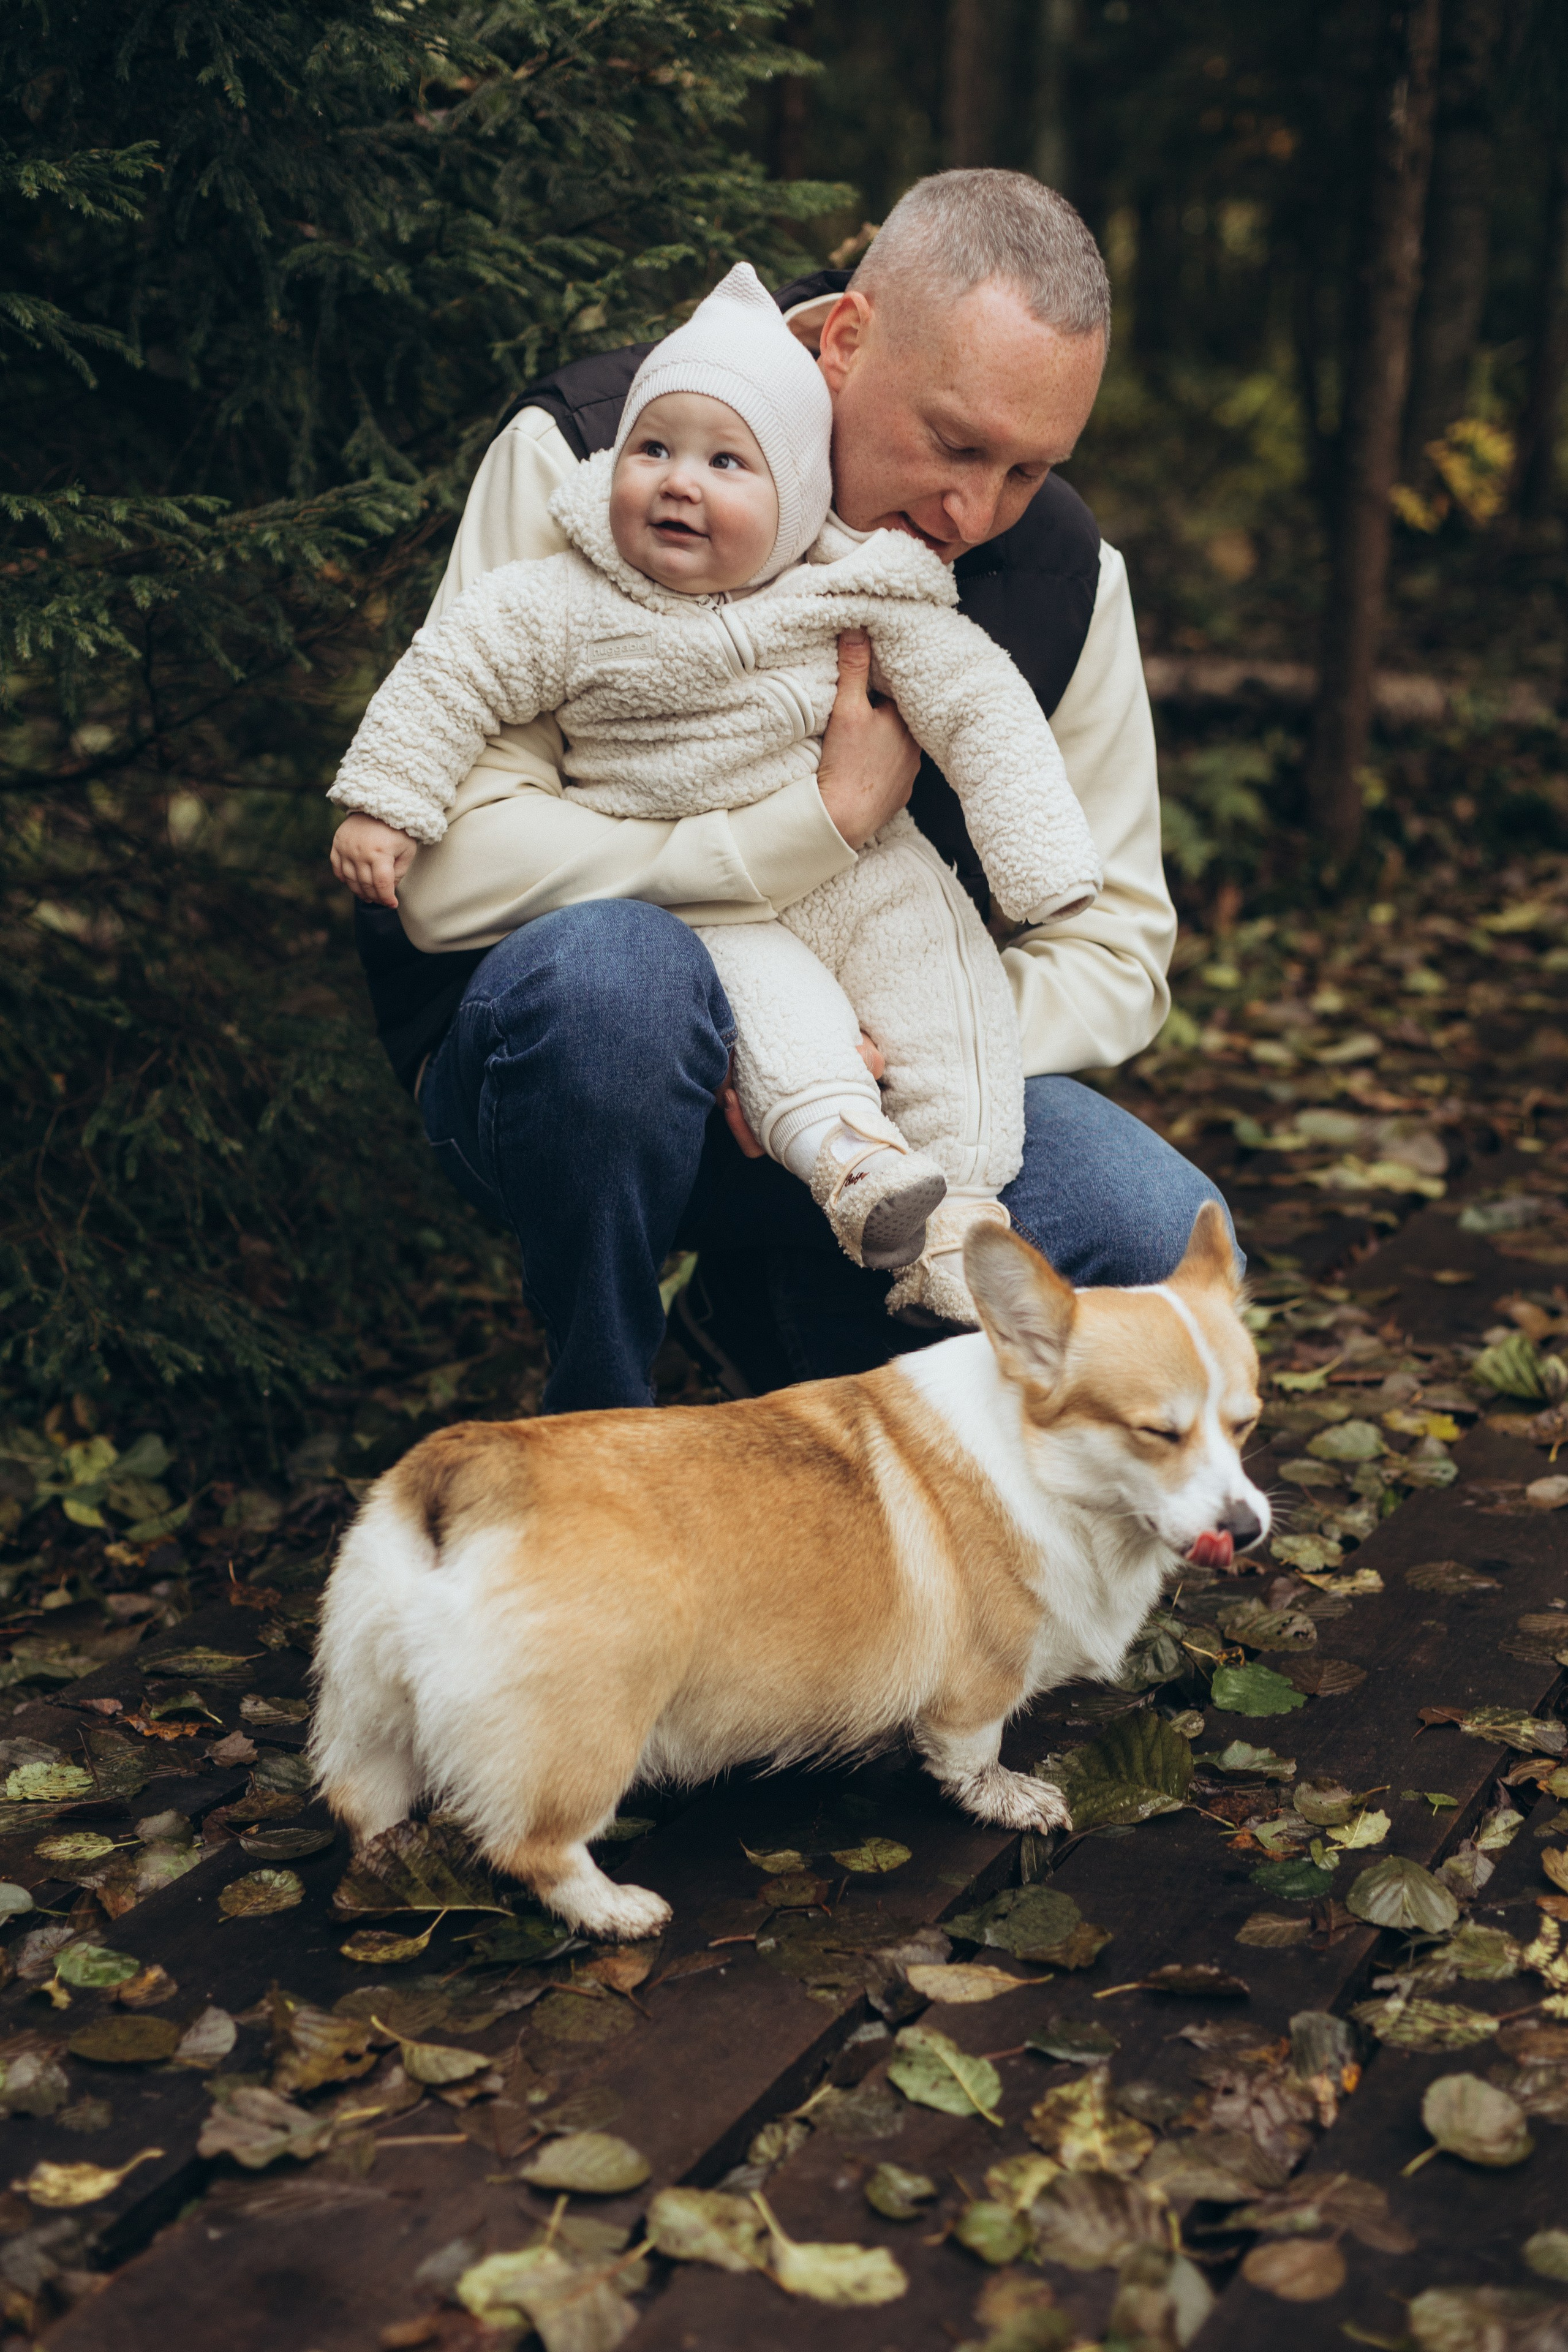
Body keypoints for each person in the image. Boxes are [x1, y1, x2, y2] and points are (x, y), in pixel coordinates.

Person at [346, 169, 1230, 1412]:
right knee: (620, 991)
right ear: (847, 341)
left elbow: (1120, 951)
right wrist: (803, 837)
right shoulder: (610, 452)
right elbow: (443, 878)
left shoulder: (1065, 573)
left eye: (1029, 470)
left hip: (875, 1106)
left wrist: (878, 1049)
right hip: (576, 1054)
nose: (976, 511)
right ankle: (596, 1423)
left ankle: (779, 1338)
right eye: (954, 443)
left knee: (1154, 1237)